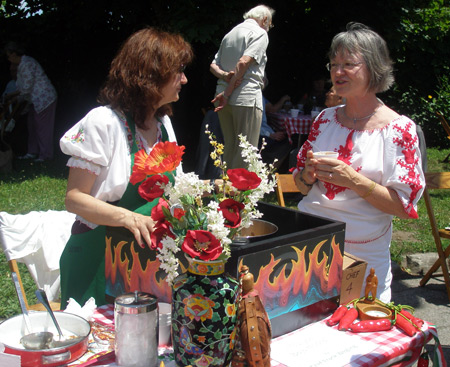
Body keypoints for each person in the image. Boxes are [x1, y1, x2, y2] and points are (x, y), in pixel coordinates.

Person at [58, 27, 193, 308]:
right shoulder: (103, 122)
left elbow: (175, 187)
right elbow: (74, 198)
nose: (184, 79)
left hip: (139, 262)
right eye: (178, 71)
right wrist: (130, 218)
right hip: (98, 258)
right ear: (152, 73)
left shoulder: (164, 125)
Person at [292, 22, 425, 303]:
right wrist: (308, 176)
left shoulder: (399, 130)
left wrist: (353, 180)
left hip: (361, 257)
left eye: (348, 64)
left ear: (374, 68)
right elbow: (301, 185)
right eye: (333, 63)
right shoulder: (325, 119)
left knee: (358, 338)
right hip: (308, 248)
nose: (338, 72)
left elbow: (404, 206)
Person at [210, 5, 275, 169]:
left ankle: (227, 192)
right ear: (265, 20)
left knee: (230, 148)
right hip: (245, 98)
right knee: (246, 152)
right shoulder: (260, 33)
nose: (269, 28)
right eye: (270, 24)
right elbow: (243, 62)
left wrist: (225, 78)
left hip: (222, 99)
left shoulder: (229, 34)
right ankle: (242, 193)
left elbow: (213, 66)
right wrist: (227, 93)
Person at [4, 42, 57, 162]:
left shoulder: (27, 63)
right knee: (32, 125)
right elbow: (21, 87)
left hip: (44, 99)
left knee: (43, 127)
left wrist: (11, 96)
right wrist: (13, 98)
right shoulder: (22, 65)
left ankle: (45, 155)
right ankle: (32, 152)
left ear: (13, 54)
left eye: (8, 56)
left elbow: (26, 87)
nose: (8, 60)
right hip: (35, 100)